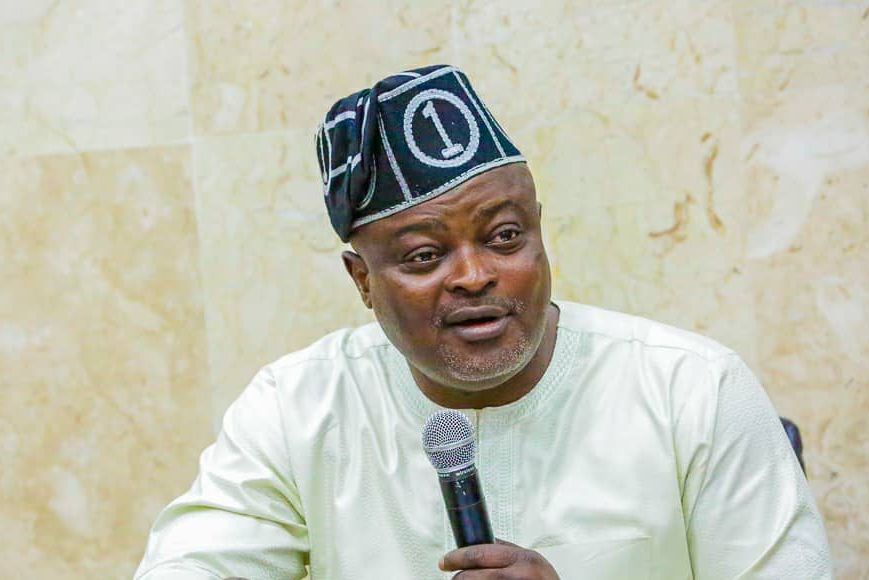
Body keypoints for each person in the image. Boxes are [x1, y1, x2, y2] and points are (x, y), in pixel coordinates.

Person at [134, 65, 833, 579]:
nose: (473, 275)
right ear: (362, 281)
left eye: (504, 237)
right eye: (425, 255)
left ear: (539, 232)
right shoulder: (298, 409)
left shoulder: (693, 392)